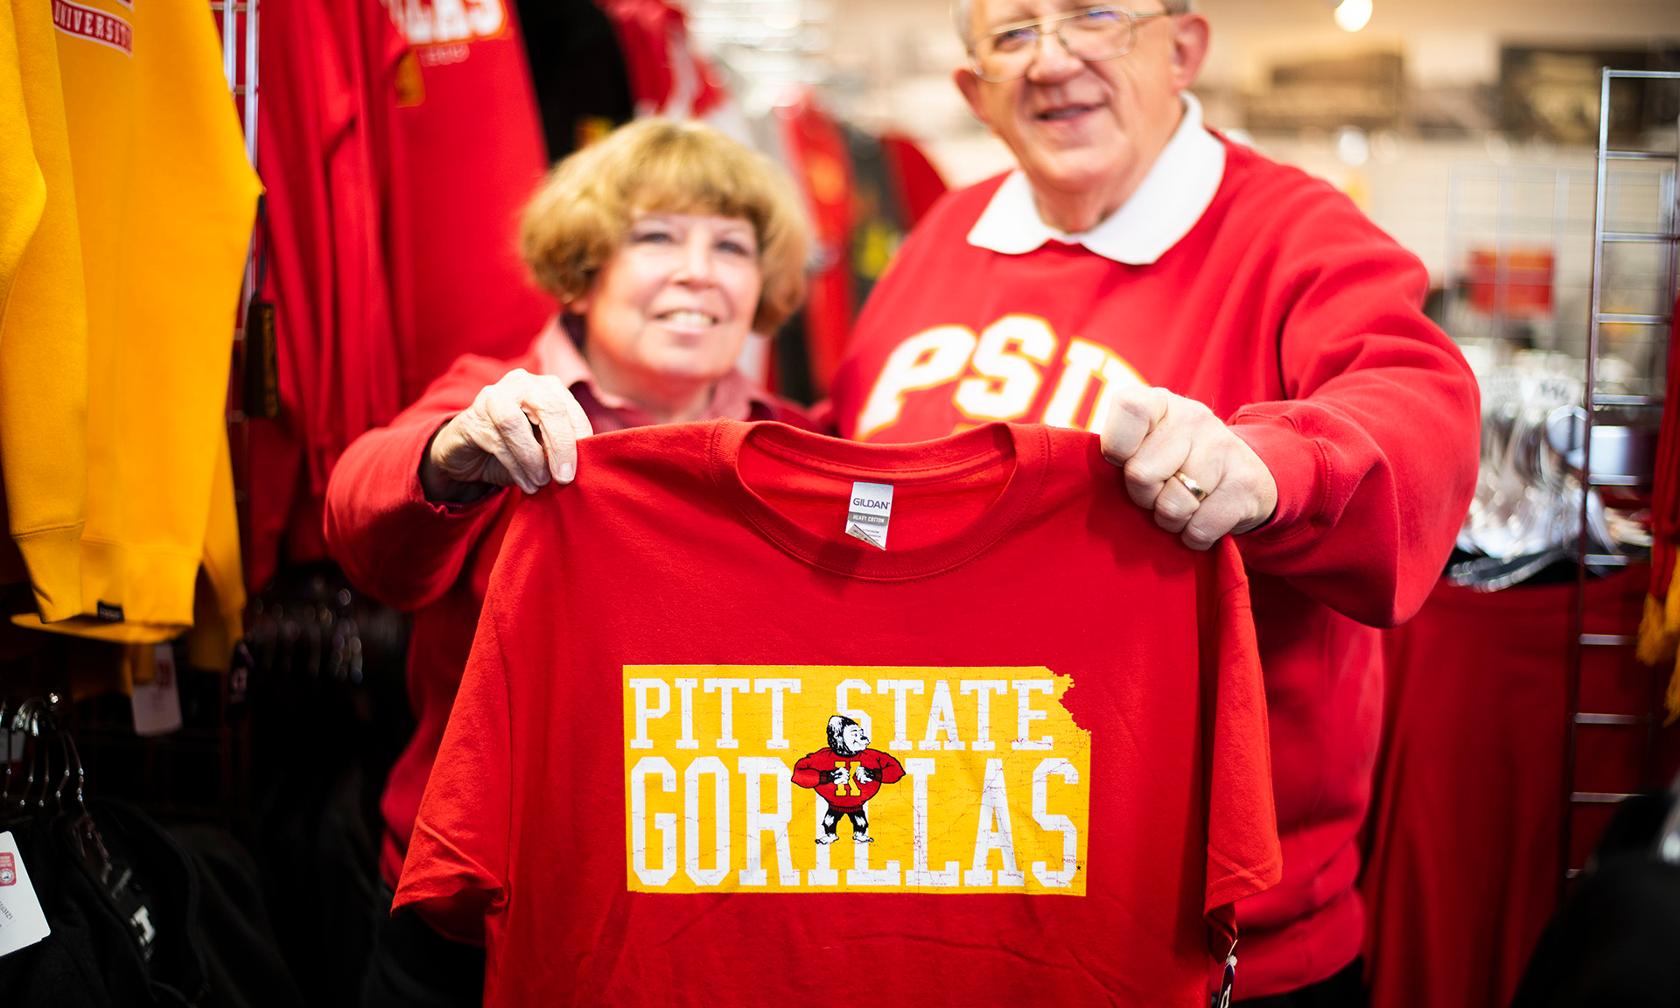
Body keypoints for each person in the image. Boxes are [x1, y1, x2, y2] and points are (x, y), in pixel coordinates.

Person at [503, 2, 1480, 1002]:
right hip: (950, 917)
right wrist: (661, 473)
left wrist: (1273, 469)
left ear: (1183, 47)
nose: (1052, 60)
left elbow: (1421, 415)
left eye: (1093, 15)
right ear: (975, 92)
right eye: (1012, 35)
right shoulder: (943, 239)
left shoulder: (1291, 235)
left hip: (1211, 945)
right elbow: (848, 478)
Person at [322, 117, 813, 1007]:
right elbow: (363, 527)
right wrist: (452, 454)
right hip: (477, 919)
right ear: (586, 272)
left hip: (713, 926)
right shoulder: (491, 399)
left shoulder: (806, 446)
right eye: (656, 236)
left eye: (731, 246)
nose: (698, 270)